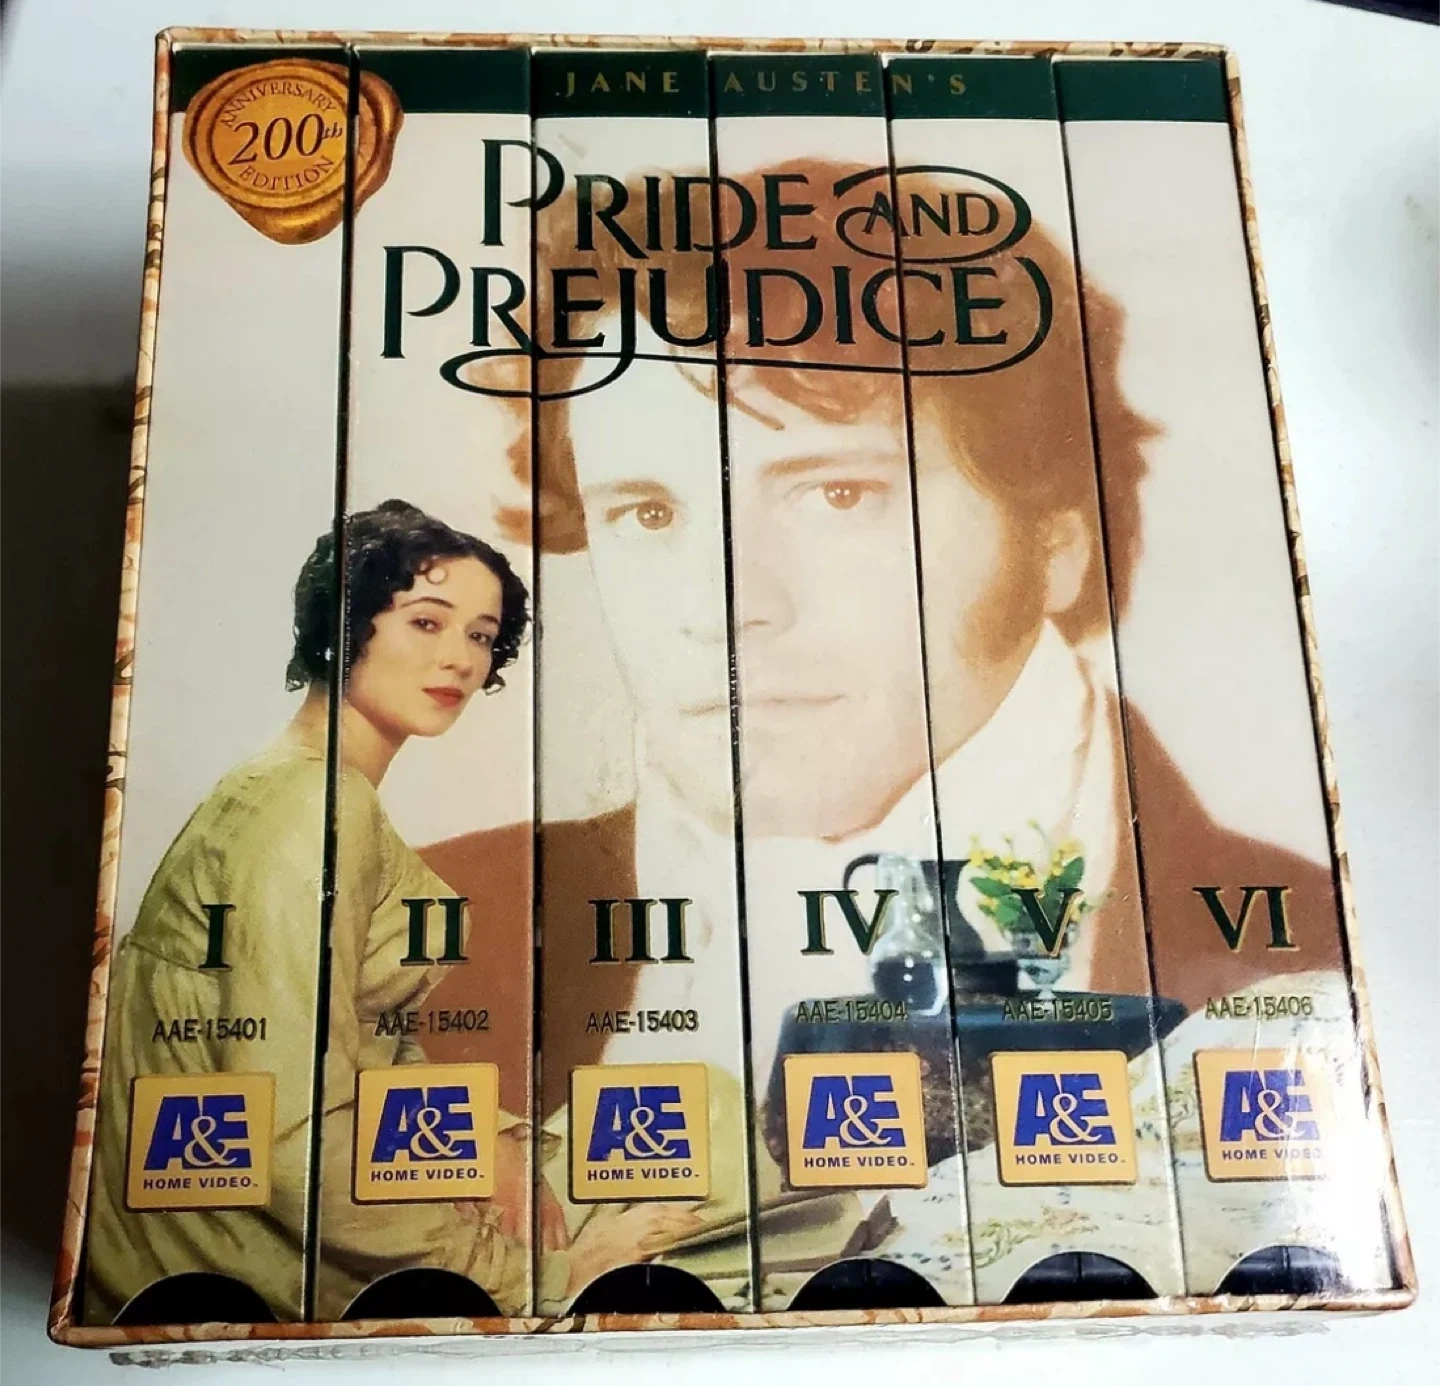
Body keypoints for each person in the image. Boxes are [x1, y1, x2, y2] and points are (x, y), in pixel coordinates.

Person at [86, 499, 687, 1325]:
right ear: (347, 624)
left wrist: (491, 1140)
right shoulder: (307, 810)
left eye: (481, 635)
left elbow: (354, 1042)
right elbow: (290, 1131)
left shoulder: (310, 790)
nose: (460, 659)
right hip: (245, 1253)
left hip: (315, 1205)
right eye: (426, 621)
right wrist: (532, 1276)